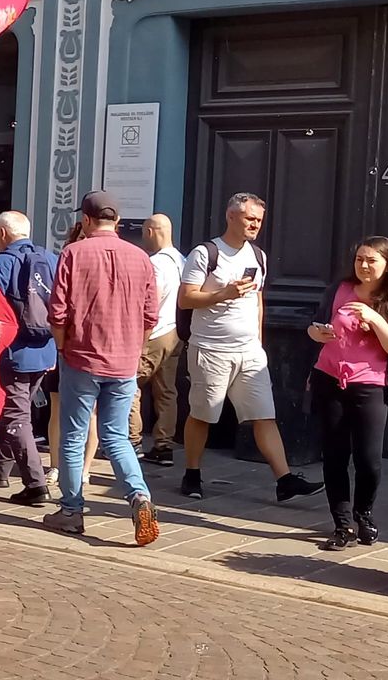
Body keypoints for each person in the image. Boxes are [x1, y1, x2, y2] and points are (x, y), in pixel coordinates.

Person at [178, 192, 324, 503]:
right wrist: (223, 294)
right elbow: (186, 298)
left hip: (249, 352)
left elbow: (257, 299)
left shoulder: (258, 256)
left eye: (259, 220)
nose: (255, 225)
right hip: (211, 349)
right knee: (203, 414)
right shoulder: (205, 253)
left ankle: (284, 480)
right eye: (249, 218)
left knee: (264, 415)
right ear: (231, 216)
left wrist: (258, 342)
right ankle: (192, 473)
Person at [44, 192, 161, 544]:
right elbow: (150, 315)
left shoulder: (73, 253)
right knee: (116, 436)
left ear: (86, 220)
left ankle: (71, 511)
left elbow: (58, 312)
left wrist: (63, 346)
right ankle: (139, 496)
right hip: (123, 362)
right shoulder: (141, 258)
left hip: (82, 357)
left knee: (74, 436)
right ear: (118, 222)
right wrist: (134, 347)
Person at [307, 237, 388, 550]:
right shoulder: (339, 289)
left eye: (371, 261)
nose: (364, 266)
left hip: (370, 385)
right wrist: (317, 332)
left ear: (387, 264)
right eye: (359, 260)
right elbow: (313, 326)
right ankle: (342, 525)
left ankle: (363, 512)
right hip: (330, 380)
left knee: (368, 460)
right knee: (335, 457)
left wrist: (376, 319)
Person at [0, 210, 58, 505]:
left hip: (14, 352)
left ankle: (35, 485)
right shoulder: (51, 259)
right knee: (18, 411)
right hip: (45, 350)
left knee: (16, 415)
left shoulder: (2, 263)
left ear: (2, 235)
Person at [131, 213, 185, 467]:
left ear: (150, 232)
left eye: (144, 233)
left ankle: (132, 441)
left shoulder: (155, 264)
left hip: (154, 333)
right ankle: (164, 445)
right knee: (167, 390)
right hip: (176, 332)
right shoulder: (182, 261)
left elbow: (148, 302)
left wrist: (138, 335)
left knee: (130, 385)